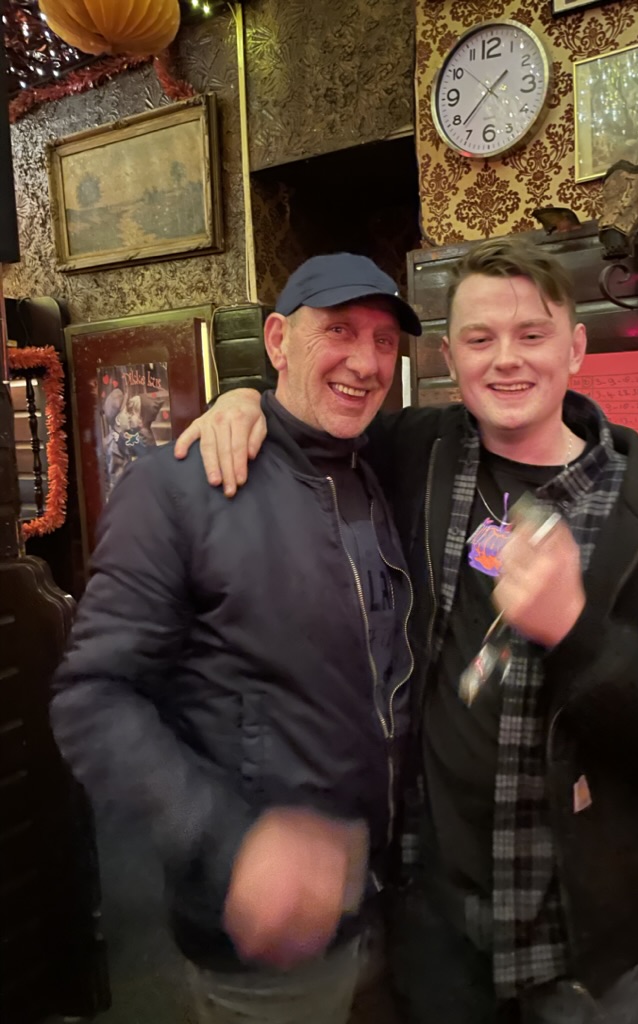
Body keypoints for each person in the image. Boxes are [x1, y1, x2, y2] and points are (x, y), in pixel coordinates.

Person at [176, 237, 638, 1023]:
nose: (505, 359)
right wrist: (241, 401)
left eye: (531, 334)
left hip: (576, 945)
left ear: (575, 348)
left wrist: (576, 631)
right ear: (449, 357)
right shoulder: (416, 451)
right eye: (479, 338)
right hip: (433, 930)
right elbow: (308, 418)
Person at [50, 252, 424, 1024]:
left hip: (392, 900)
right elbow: (93, 697)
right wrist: (231, 843)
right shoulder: (177, 486)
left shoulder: (381, 467)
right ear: (277, 339)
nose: (365, 362)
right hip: (265, 931)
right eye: (339, 331)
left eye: (385, 340)